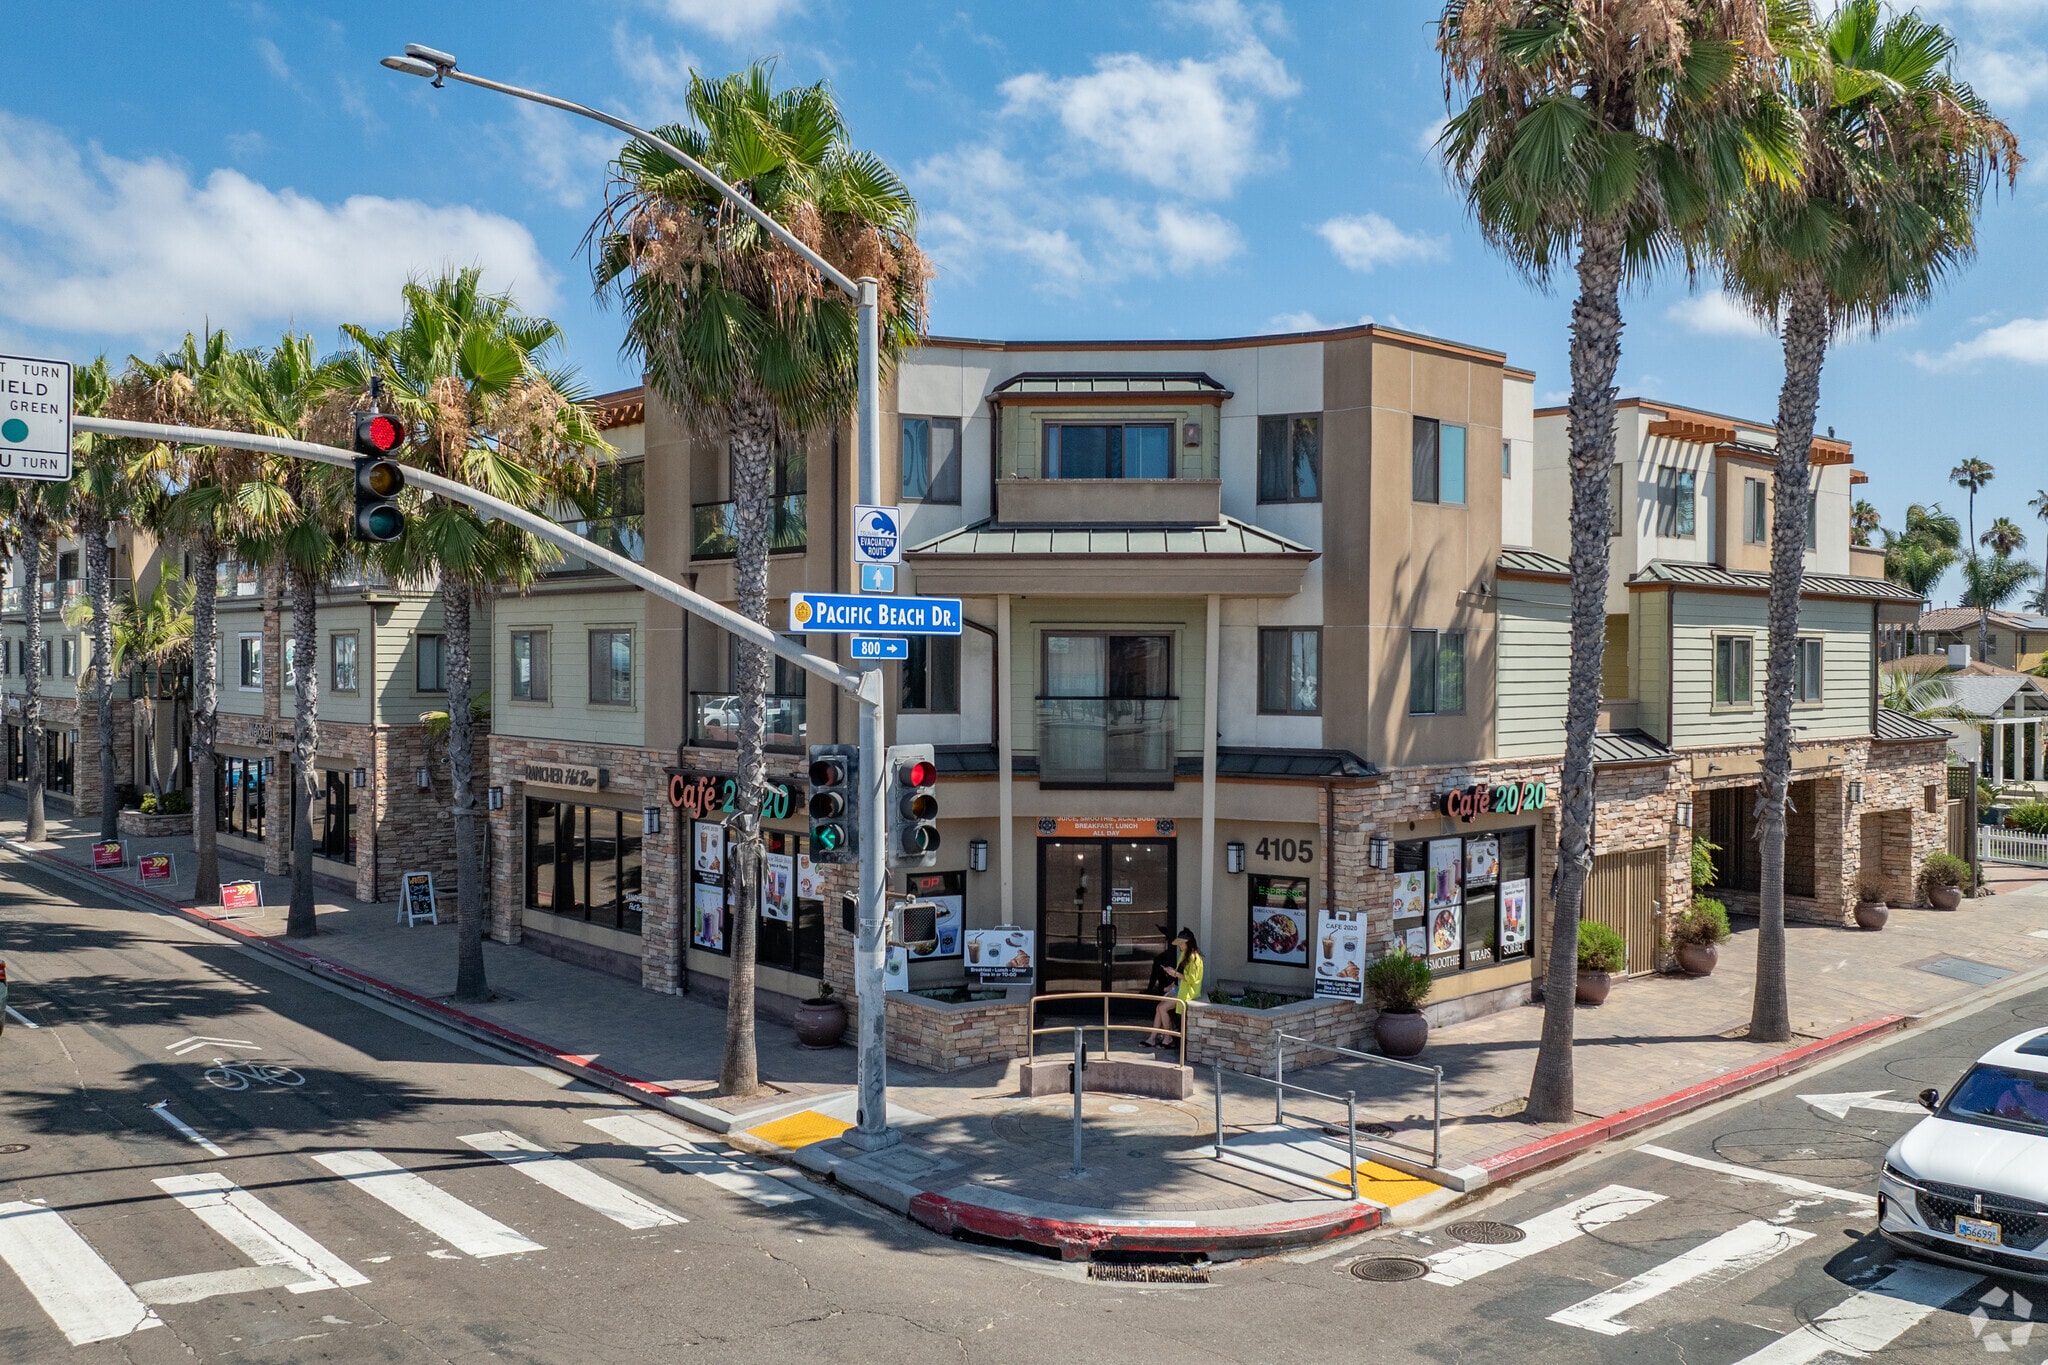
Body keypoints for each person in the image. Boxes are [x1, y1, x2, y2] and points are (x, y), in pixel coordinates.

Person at [1145, 929, 1203, 1047]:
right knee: (1159, 1007)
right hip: (1179, 989)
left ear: (1188, 943)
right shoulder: (1184, 955)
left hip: (1187, 993)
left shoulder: (1195, 959)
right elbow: (1180, 974)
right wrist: (1172, 975)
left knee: (1162, 1008)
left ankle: (1168, 1037)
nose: (1180, 946)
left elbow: (1191, 979)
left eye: (1182, 943)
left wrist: (1174, 974)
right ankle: (1152, 1037)